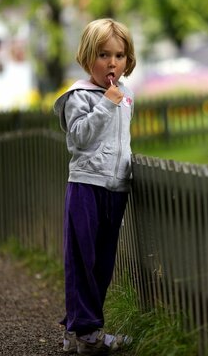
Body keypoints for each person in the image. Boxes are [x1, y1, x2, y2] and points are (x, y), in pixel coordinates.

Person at [53, 18, 136, 355]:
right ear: (88, 57)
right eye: (103, 55)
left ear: (128, 60)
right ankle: (85, 333)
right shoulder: (80, 96)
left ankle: (84, 330)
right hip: (87, 185)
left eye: (119, 55)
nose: (112, 63)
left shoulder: (126, 95)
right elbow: (78, 139)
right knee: (82, 259)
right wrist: (105, 104)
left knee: (103, 262)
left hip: (115, 188)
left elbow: (121, 140)